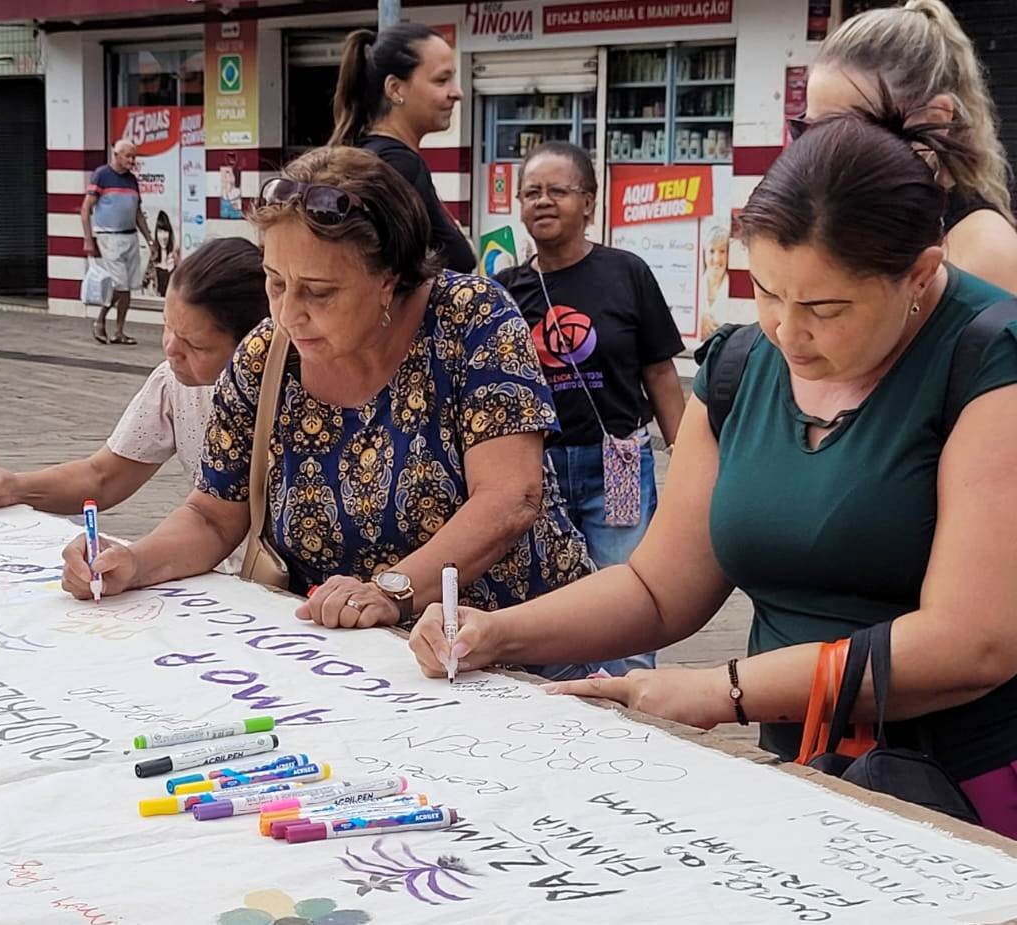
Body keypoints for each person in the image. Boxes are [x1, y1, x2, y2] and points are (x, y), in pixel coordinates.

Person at [408, 110, 1017, 839]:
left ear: (919, 273)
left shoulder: (990, 359)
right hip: (808, 775)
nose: (789, 332)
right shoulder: (739, 366)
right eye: (766, 291)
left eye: (825, 308)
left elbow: (968, 642)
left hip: (965, 787)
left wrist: (725, 689)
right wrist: (494, 634)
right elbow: (659, 585)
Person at [61, 146, 594, 679]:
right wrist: (134, 562)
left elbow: (509, 497)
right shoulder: (266, 356)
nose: (289, 314)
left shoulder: (472, 319)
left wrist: (391, 590)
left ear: (388, 275)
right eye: (275, 283)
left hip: (516, 656)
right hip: (354, 668)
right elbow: (212, 514)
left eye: (318, 292)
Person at [0, 238, 267, 572]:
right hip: (216, 580)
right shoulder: (174, 384)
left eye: (195, 345)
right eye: (167, 326)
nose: (170, 349)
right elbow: (105, 476)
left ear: (253, 346)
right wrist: (15, 487)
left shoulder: (297, 395)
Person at [495, 141, 686, 677]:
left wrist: (693, 466)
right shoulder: (505, 290)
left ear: (589, 203)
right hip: (538, 472)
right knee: (547, 598)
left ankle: (632, 706)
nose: (543, 202)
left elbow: (661, 374)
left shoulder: (626, 272)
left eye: (558, 190)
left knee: (628, 590)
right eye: (532, 192)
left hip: (617, 463)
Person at [798, 0, 1017, 293]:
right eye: (810, 132)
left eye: (850, 133)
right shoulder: (861, 219)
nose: (821, 157)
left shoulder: (982, 252)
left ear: (936, 119)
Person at [329, 24, 475, 274]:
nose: (457, 92)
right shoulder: (399, 167)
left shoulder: (369, 155)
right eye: (442, 80)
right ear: (395, 89)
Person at [81, 140, 154, 345]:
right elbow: (86, 209)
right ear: (116, 155)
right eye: (128, 156)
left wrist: (149, 238)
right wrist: (88, 239)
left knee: (129, 286)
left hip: (130, 235)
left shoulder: (132, 180)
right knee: (120, 284)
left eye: (134, 156)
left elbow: (137, 212)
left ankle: (119, 330)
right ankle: (100, 320)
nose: (132, 160)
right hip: (109, 235)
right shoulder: (101, 175)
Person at [698, 224, 731, 338]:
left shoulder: (736, 288)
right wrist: (697, 320)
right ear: (704, 253)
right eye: (712, 251)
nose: (717, 259)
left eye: (722, 251)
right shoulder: (694, 286)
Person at [149, 210, 176, 297]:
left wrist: (172, 270)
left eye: (165, 232)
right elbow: (145, 286)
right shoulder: (152, 260)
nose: (163, 236)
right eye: (160, 232)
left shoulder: (175, 258)